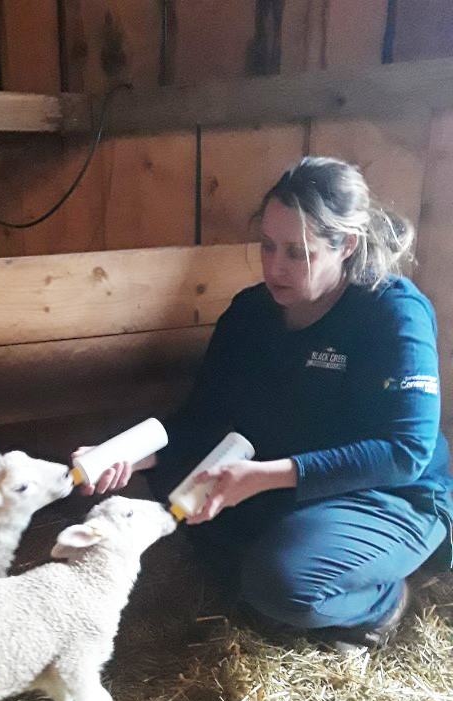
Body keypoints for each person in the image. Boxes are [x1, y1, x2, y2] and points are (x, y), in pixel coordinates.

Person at [74, 156, 453, 649]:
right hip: (290, 482)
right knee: (179, 494)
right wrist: (124, 455)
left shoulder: (392, 312)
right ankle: (289, 566)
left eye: (298, 253)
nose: (275, 267)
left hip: (388, 493)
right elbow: (201, 421)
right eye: (268, 246)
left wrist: (268, 476)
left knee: (280, 582)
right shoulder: (250, 314)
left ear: (347, 246)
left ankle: (383, 603)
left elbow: (405, 452)